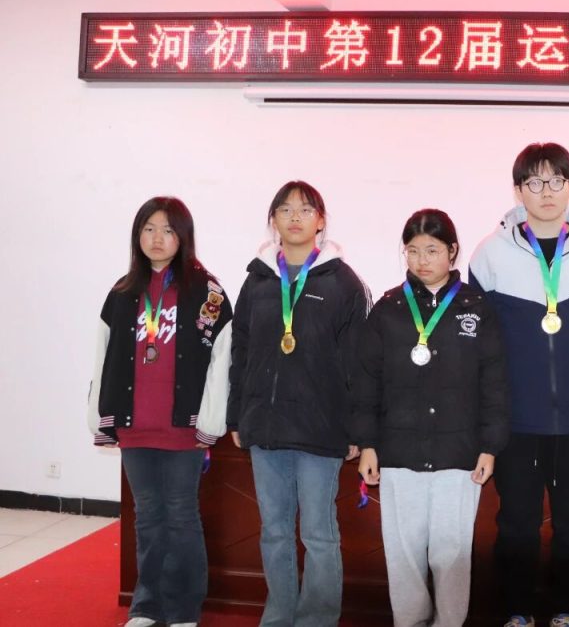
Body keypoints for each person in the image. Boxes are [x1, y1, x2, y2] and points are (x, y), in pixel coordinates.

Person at [469, 142, 569, 627]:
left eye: (557, 180)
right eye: (534, 182)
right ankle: (516, 610)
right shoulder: (491, 254)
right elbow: (479, 340)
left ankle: (565, 610)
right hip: (517, 419)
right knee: (516, 522)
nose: (547, 191)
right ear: (518, 191)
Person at [352, 208, 509, 627]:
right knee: (403, 554)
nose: (422, 260)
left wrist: (490, 446)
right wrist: (368, 444)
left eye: (432, 250)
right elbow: (366, 382)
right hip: (398, 451)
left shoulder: (478, 308)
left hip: (459, 453)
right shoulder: (388, 309)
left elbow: (495, 382)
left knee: (451, 554)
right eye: (413, 250)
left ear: (452, 251)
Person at [227, 180, 369, 627]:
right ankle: (278, 616)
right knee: (273, 532)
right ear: (273, 220)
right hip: (265, 427)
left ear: (320, 221)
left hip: (320, 430)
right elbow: (241, 352)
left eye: (306, 209)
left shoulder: (343, 282)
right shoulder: (257, 280)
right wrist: (236, 415)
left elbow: (358, 363)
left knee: (319, 534)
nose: (295, 217)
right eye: (285, 209)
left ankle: (317, 620)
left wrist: (356, 429)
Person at [88, 196, 232, 627]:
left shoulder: (207, 291)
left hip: (182, 428)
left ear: (183, 237)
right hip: (135, 426)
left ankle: (184, 609)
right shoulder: (122, 292)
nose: (157, 238)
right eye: (148, 229)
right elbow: (102, 358)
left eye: (168, 230)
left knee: (181, 517)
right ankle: (146, 606)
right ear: (137, 235)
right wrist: (101, 415)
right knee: (147, 518)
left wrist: (211, 420)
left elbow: (222, 361)